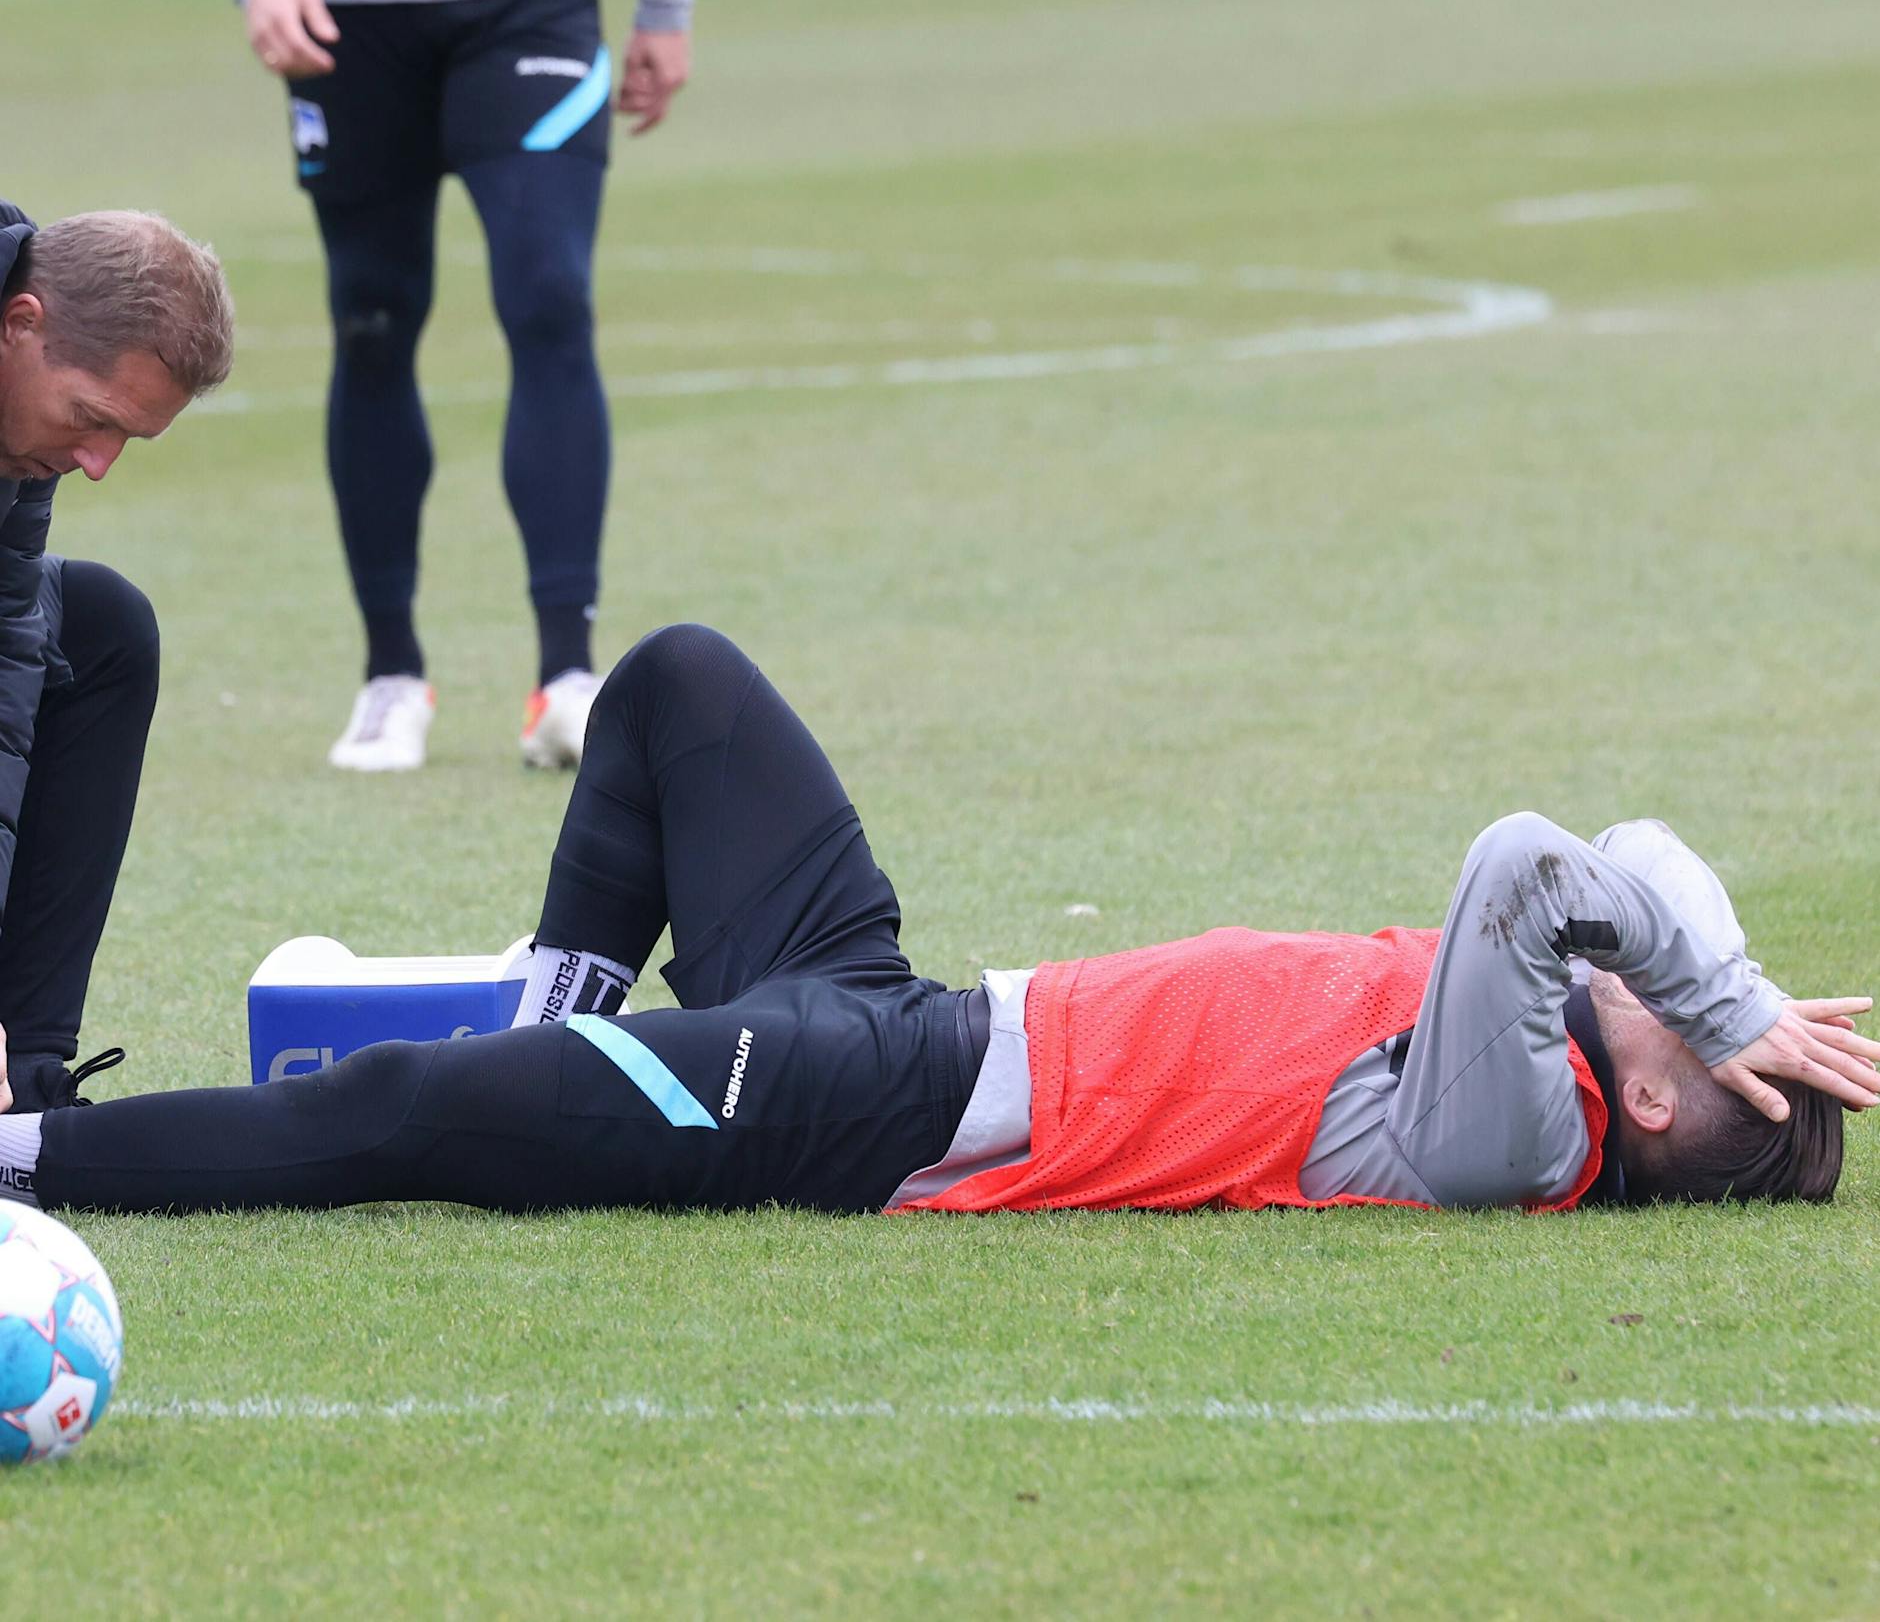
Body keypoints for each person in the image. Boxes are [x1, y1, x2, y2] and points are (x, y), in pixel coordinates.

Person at [3, 624, 1871, 1216]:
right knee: (676, 686)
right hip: (901, 1009)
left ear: (1632, 1101)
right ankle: (551, 1025)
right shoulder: (1583, 1044)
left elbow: (1546, 856)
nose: (1665, 984)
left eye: (1688, 1023)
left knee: (397, 1114)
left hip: (872, 1110)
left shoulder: (1514, 1133)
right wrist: (1745, 1001)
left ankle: (25, 1154)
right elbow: (1642, 835)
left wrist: (1717, 986)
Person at [195, 0, 694, 774]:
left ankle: (567, 677)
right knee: (372, 317)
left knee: (550, 295)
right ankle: (390, 674)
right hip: (341, 8)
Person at [0, 200, 234, 1114]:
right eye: (92, 418)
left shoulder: (27, 448)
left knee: (99, 628)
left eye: (126, 439)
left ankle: (27, 1090)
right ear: (23, 327)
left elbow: (7, 687)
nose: (97, 463)